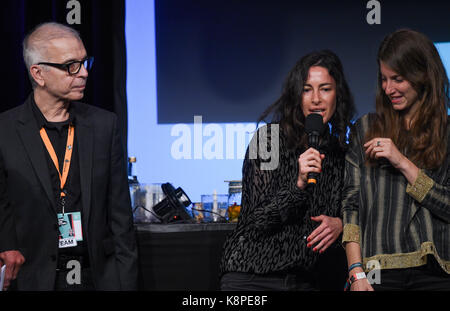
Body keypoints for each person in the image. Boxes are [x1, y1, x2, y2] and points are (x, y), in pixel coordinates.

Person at [0, 22, 138, 290]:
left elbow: (121, 218)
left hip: (96, 277)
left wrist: (125, 280)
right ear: (38, 74)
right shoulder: (4, 130)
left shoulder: (103, 126)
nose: (84, 73)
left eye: (85, 62)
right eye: (71, 66)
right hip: (33, 278)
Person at [220, 50, 355, 290]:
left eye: (325, 89)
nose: (316, 99)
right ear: (295, 95)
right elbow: (256, 220)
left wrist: (341, 224)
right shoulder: (269, 139)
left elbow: (357, 208)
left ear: (338, 95)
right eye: (306, 89)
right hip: (254, 277)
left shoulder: (339, 153)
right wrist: (298, 184)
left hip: (307, 281)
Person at [342, 29, 450, 291]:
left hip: (436, 272)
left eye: (398, 79)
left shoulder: (446, 133)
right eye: (383, 79)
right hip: (378, 272)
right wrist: (356, 272)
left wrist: (402, 161)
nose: (388, 89)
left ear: (422, 76)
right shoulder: (366, 128)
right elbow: (351, 205)